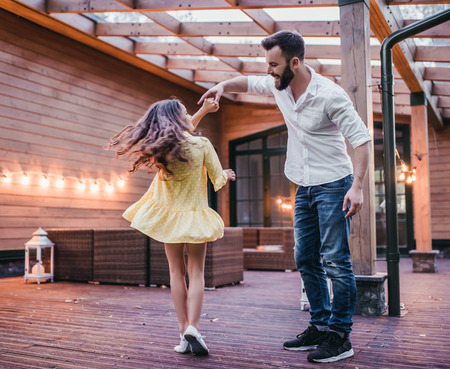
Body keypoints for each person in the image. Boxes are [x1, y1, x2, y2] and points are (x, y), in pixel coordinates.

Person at [198, 30, 371, 363]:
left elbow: (361, 141)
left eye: (274, 65)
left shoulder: (330, 96)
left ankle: (340, 336)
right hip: (303, 186)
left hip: (335, 184)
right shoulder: (280, 86)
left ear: (295, 62)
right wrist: (221, 87)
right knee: (305, 258)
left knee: (335, 260)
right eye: (268, 64)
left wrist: (358, 186)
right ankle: (319, 326)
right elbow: (246, 83)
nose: (269, 71)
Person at [107, 98, 236, 356]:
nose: (189, 116)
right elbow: (217, 179)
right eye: (186, 113)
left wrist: (201, 112)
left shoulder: (162, 150)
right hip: (195, 217)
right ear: (178, 120)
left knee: (176, 273)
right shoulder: (202, 144)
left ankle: (182, 333)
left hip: (170, 219)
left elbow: (183, 133)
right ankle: (194, 327)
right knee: (196, 272)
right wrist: (228, 174)